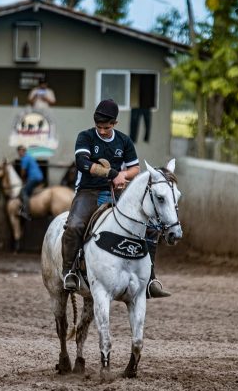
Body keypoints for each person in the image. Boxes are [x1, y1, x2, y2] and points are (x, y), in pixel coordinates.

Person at [60, 99, 171, 298]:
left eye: (106, 127)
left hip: (119, 193)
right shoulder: (85, 137)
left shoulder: (124, 141)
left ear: (115, 124)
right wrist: (113, 174)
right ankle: (69, 271)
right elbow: (82, 163)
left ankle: (151, 279)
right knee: (74, 225)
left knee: (152, 228)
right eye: (99, 127)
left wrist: (123, 176)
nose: (102, 131)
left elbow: (135, 168)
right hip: (88, 191)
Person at [17, 145, 44, 220]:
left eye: (22, 151)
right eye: (20, 151)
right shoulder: (29, 156)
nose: (21, 153)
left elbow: (23, 171)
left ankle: (26, 212)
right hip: (38, 177)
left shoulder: (25, 158)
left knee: (24, 191)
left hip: (34, 178)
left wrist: (22, 180)